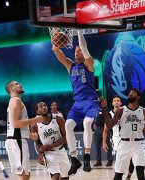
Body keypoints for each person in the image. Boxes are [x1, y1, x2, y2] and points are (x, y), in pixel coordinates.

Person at [52, 29, 100, 175]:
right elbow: (55, 49)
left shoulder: (89, 64)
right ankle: (74, 159)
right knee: (68, 125)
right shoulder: (70, 65)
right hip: (78, 103)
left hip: (91, 101)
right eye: (75, 51)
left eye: (79, 51)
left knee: (86, 123)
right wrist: (55, 36)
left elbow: (84, 48)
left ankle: (86, 156)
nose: (77, 52)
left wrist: (79, 31)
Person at [100, 88, 145, 180]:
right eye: (129, 93)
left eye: (133, 92)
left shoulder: (144, 111)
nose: (130, 93)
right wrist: (104, 108)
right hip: (124, 144)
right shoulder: (121, 110)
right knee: (118, 175)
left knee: (140, 173)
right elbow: (109, 125)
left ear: (138, 97)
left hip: (138, 144)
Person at [4, 80, 43, 180]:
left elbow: (16, 125)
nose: (20, 84)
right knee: (23, 175)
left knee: (26, 174)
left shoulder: (15, 101)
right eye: (17, 84)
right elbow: (15, 124)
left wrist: (28, 134)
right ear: (12, 89)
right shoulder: (15, 100)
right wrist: (36, 119)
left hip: (17, 139)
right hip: (16, 141)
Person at [31, 102, 71, 180]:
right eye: (40, 107)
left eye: (45, 105)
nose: (44, 107)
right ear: (37, 111)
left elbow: (67, 137)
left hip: (61, 151)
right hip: (49, 154)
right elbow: (37, 142)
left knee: (65, 177)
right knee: (55, 176)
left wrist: (51, 146)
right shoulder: (35, 125)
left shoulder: (58, 119)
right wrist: (40, 155)